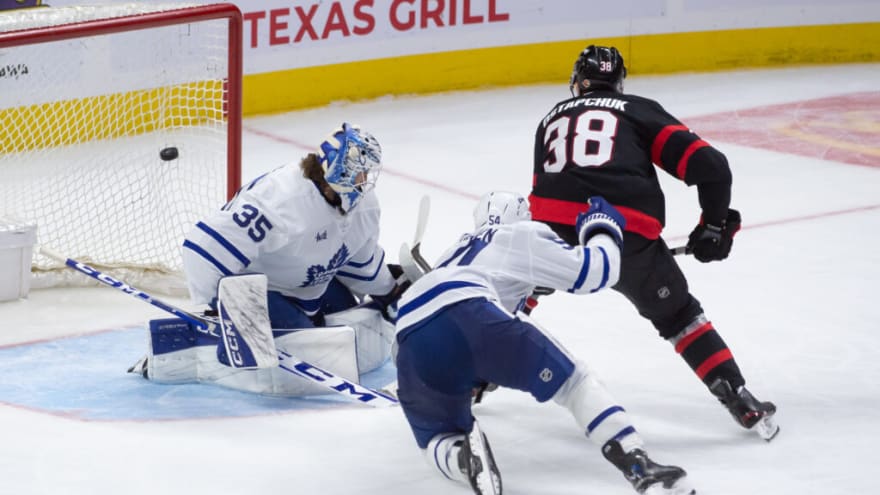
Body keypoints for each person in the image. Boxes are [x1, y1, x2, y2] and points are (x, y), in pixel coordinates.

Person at [528, 45, 777, 440]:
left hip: (555, 232)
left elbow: (553, 188)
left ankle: (473, 376)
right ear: (620, 82)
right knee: (678, 316)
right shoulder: (637, 109)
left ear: (577, 82)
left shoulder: (549, 118)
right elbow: (711, 166)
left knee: (518, 285)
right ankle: (737, 396)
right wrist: (713, 226)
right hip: (626, 237)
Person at [394, 191, 695, 495]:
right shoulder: (521, 233)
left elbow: (467, 326)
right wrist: (602, 228)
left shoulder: (455, 250)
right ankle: (640, 466)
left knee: (437, 437)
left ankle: (461, 458)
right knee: (575, 383)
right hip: (469, 306)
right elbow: (597, 271)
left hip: (408, 331)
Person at [128, 123, 404, 396]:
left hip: (308, 287)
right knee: (309, 355)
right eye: (362, 173)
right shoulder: (281, 200)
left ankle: (295, 328)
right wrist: (223, 312)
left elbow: (358, 262)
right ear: (341, 172)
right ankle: (190, 351)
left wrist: (390, 291)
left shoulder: (363, 205)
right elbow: (203, 251)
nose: (366, 180)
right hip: (264, 292)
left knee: (350, 332)